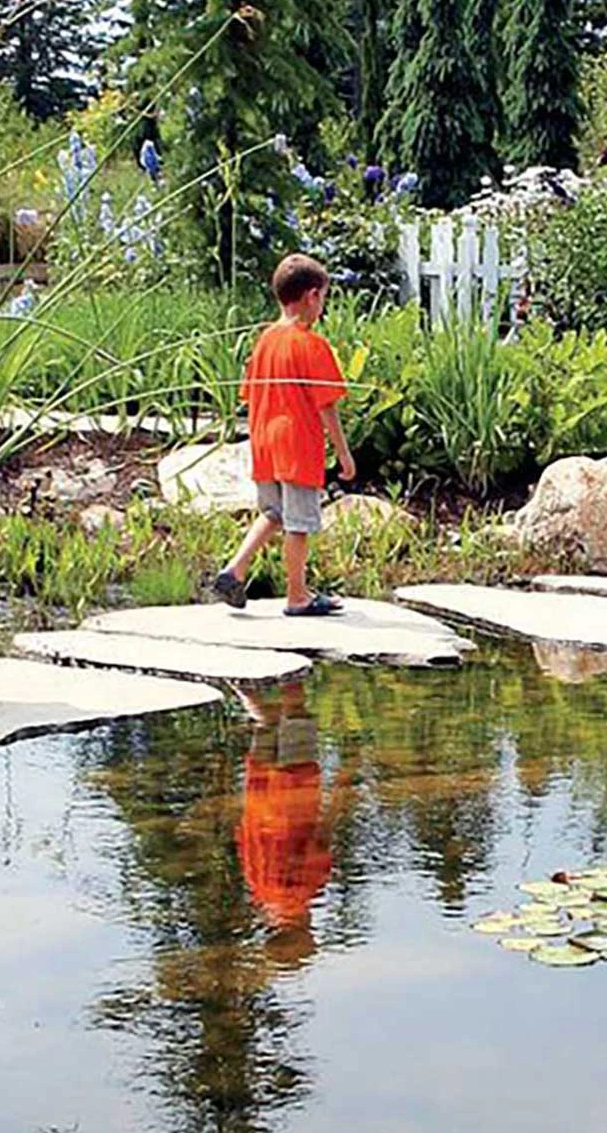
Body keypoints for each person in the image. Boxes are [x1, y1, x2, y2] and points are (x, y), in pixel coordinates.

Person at [208, 253, 356, 617]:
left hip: (264, 443)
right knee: (299, 523)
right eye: (323, 298)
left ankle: (234, 570)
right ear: (312, 296)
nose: (321, 306)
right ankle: (298, 596)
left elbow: (248, 393)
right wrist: (344, 455)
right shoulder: (311, 344)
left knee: (274, 512)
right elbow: (327, 406)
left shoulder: (265, 341)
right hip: (297, 444)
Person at [235, 683, 338, 968]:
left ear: (304, 931)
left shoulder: (303, 892)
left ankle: (291, 668)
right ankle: (242, 686)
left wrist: (341, 792)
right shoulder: (260, 892)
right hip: (259, 798)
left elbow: (320, 840)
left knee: (296, 715)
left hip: (294, 793)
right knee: (266, 724)